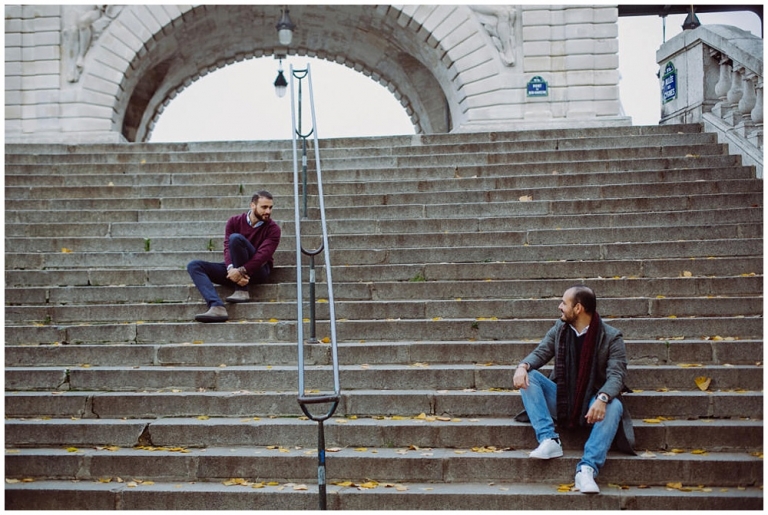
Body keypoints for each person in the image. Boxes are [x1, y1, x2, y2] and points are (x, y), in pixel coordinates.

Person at [513, 285, 635, 494]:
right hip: (563, 398)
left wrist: (603, 397)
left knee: (614, 406)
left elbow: (617, 375)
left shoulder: (611, 337)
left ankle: (586, 469)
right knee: (530, 377)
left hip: (592, 403)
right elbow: (541, 352)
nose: (560, 307)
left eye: (564, 303)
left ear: (578, 308)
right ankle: (549, 439)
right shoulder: (559, 330)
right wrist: (522, 366)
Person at [187, 191, 281, 323]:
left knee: (236, 239)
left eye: (270, 207)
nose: (268, 211)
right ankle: (216, 306)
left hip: (258, 271)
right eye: (264, 207)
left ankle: (242, 290)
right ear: (252, 205)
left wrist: (241, 271)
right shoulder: (234, 222)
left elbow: (262, 256)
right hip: (234, 270)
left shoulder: (273, 229)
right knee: (194, 265)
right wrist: (231, 269)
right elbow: (227, 247)